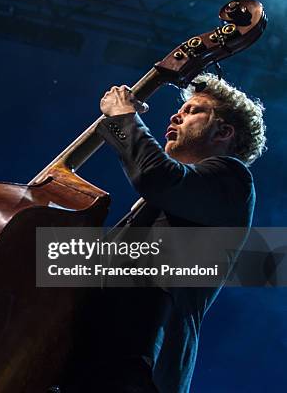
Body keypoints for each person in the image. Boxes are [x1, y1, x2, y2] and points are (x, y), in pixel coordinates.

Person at [59, 73, 266, 392]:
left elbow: (157, 175)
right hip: (104, 353)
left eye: (194, 110)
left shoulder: (233, 180)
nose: (176, 115)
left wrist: (124, 117)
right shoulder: (169, 201)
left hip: (135, 361)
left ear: (223, 132)